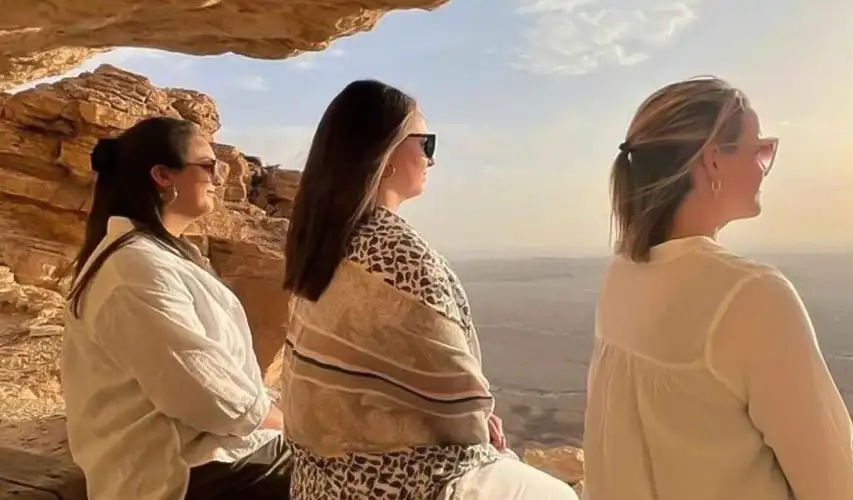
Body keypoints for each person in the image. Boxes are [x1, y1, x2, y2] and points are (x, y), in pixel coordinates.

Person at [280, 79, 577, 499]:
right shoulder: (399, 253)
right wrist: (481, 426)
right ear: (383, 155)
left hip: (317, 482)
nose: (431, 161)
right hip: (395, 483)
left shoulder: (323, 242)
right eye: (426, 144)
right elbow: (460, 404)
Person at [582, 76, 853, 500]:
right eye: (760, 148)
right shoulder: (752, 296)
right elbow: (833, 489)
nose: (764, 163)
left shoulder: (620, 276)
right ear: (713, 161)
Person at [61, 117, 292, 500]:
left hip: (213, 455)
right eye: (208, 165)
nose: (220, 176)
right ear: (164, 176)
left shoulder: (155, 256)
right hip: (181, 473)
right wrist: (292, 424)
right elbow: (207, 397)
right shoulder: (134, 269)